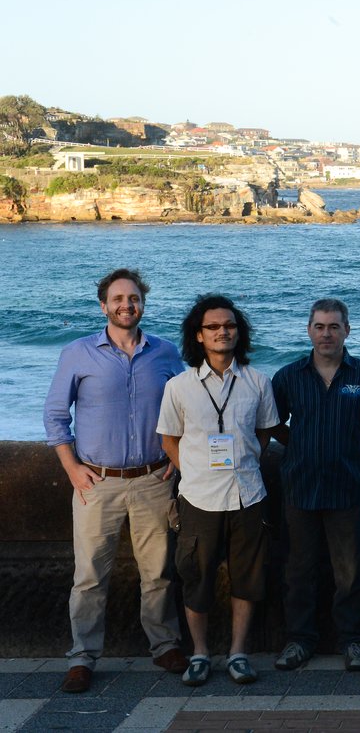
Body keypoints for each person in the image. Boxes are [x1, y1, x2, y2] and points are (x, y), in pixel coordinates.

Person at [43, 268, 188, 695]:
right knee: (88, 575)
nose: (127, 305)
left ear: (143, 303)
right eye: (118, 299)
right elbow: (55, 414)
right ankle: (83, 657)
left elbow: (183, 411)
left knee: (158, 572)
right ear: (103, 305)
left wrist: (177, 461)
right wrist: (71, 467)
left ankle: (164, 646)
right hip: (96, 482)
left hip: (153, 480)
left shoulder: (164, 353)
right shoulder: (78, 353)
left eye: (134, 298)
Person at [157, 294, 280, 687]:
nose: (222, 331)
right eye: (213, 326)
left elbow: (264, 434)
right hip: (198, 498)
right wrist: (194, 471)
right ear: (199, 335)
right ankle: (199, 653)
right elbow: (169, 441)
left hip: (248, 495)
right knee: (196, 578)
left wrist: (243, 461)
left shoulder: (257, 382)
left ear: (238, 332)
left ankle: (239, 653)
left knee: (249, 578)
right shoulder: (179, 387)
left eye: (229, 325)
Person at [270, 298, 360, 673]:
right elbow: (270, 423)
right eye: (319, 326)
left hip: (349, 487)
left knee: (350, 571)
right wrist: (298, 445)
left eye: (334, 326)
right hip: (300, 485)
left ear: (347, 330)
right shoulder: (288, 376)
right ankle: (300, 640)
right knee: (299, 570)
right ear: (309, 330)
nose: (326, 333)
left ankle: (354, 642)